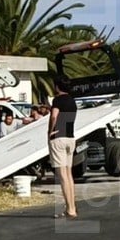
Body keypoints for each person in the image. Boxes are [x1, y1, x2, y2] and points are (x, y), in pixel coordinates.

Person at [49, 77, 78, 219]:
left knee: (62, 176)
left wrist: (50, 131)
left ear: (57, 87)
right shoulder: (72, 101)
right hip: (70, 138)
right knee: (69, 174)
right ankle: (72, 207)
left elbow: (54, 116)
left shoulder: (57, 100)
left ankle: (70, 209)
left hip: (58, 137)